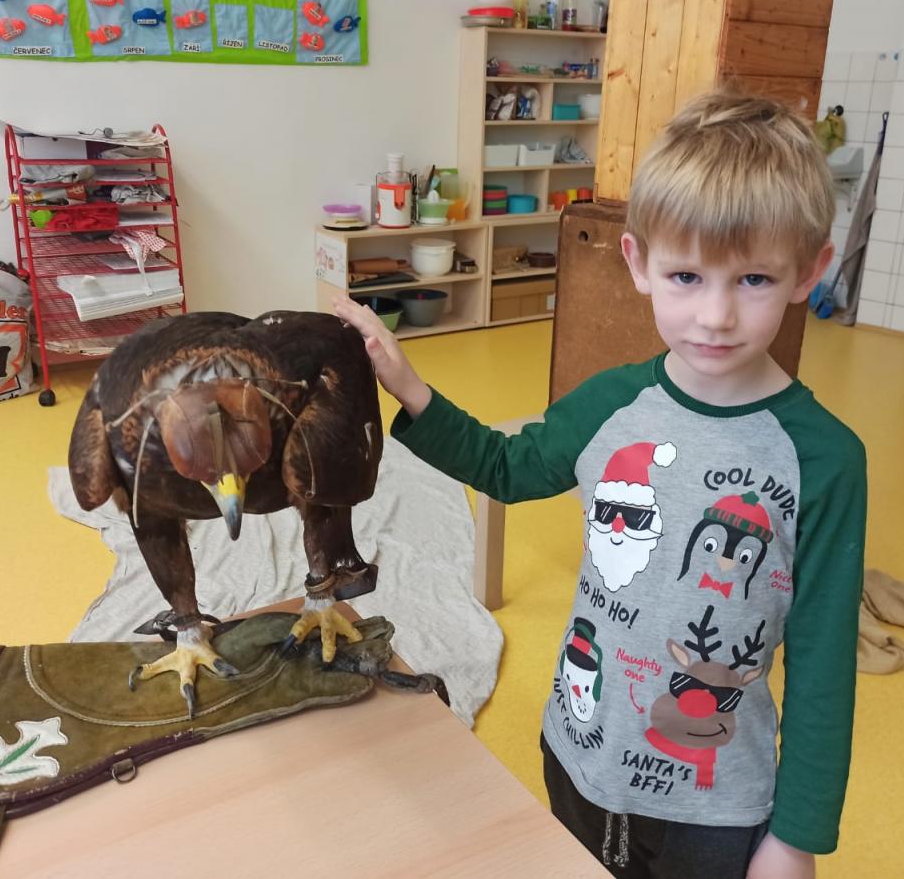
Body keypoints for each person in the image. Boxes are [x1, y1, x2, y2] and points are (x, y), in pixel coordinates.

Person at [335, 90, 866, 879]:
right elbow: (507, 467)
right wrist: (408, 385)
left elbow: (824, 668)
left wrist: (797, 838)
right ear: (639, 263)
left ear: (808, 271)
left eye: (753, 278)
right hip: (579, 757)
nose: (715, 314)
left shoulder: (825, 458)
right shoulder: (611, 404)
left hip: (716, 805)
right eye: (686, 275)